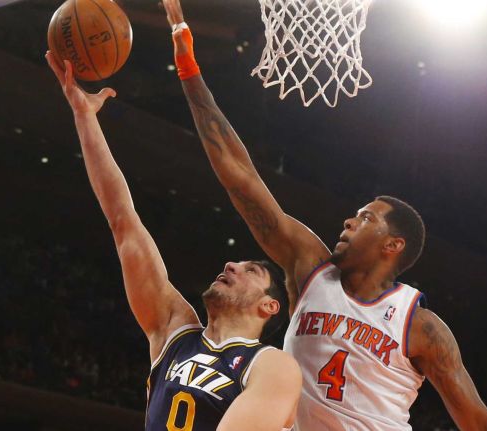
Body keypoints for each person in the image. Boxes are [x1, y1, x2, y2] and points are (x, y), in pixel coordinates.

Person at [160, 1, 487, 429]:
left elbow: (473, 417)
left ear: (393, 245)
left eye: (366, 219)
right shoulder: (310, 270)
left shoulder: (421, 326)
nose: (349, 222)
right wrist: (189, 70)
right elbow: (241, 179)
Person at [45, 51, 301, 431]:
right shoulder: (174, 331)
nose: (231, 265)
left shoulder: (270, 365)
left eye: (251, 271)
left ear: (269, 306)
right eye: (238, 263)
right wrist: (84, 117)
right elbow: (123, 222)